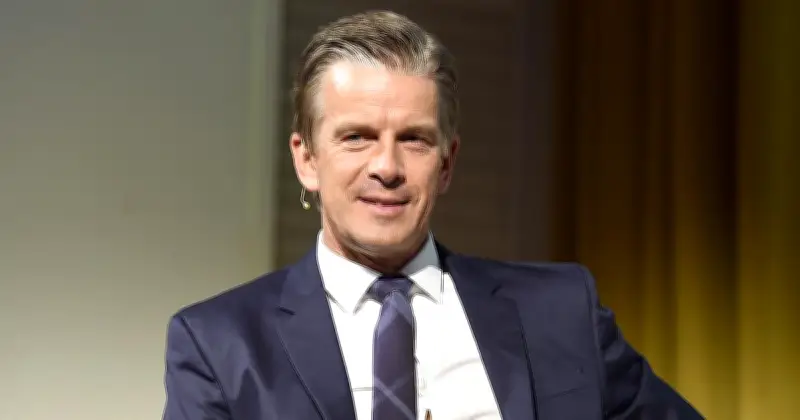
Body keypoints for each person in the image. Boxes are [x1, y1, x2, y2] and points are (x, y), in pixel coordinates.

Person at [161, 10, 703, 420]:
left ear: (447, 163)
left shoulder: (561, 312)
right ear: (306, 159)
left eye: (414, 140)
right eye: (357, 137)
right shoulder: (219, 344)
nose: (387, 167)